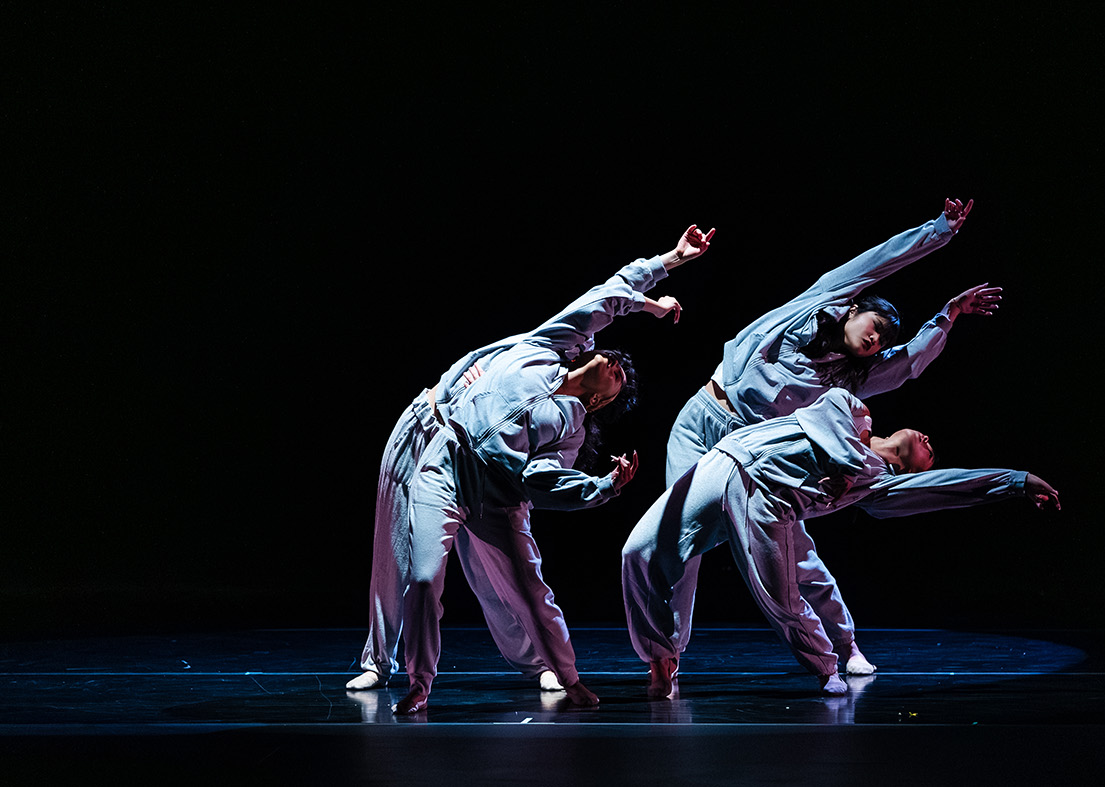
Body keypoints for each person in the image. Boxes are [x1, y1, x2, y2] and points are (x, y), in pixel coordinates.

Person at [354, 225, 714, 714]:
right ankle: (419, 681)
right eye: (612, 360)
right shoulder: (544, 348)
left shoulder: (572, 430)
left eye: (619, 376)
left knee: (530, 593)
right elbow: (605, 296)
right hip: (445, 458)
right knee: (421, 577)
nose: (613, 363)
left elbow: (547, 480)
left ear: (601, 400)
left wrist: (603, 485)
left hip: (498, 494)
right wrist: (671, 261)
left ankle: (569, 678)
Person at [664, 198, 996, 676]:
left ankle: (845, 646)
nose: (875, 340)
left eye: (882, 340)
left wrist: (949, 314)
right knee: (677, 538)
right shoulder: (818, 304)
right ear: (854, 309)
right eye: (875, 328)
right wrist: (939, 230)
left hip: (749, 452)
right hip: (698, 418)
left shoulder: (851, 378)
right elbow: (878, 262)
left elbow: (908, 363)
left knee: (795, 556)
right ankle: (665, 658)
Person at [625, 387, 1060, 697]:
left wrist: (1015, 482)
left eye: (931, 454)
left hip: (771, 505)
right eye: (927, 439)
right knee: (638, 551)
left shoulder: (875, 487)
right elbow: (830, 414)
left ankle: (826, 667)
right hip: (727, 461)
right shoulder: (853, 412)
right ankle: (660, 657)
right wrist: (850, 464)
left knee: (782, 597)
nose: (930, 442)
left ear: (916, 472)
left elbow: (948, 487)